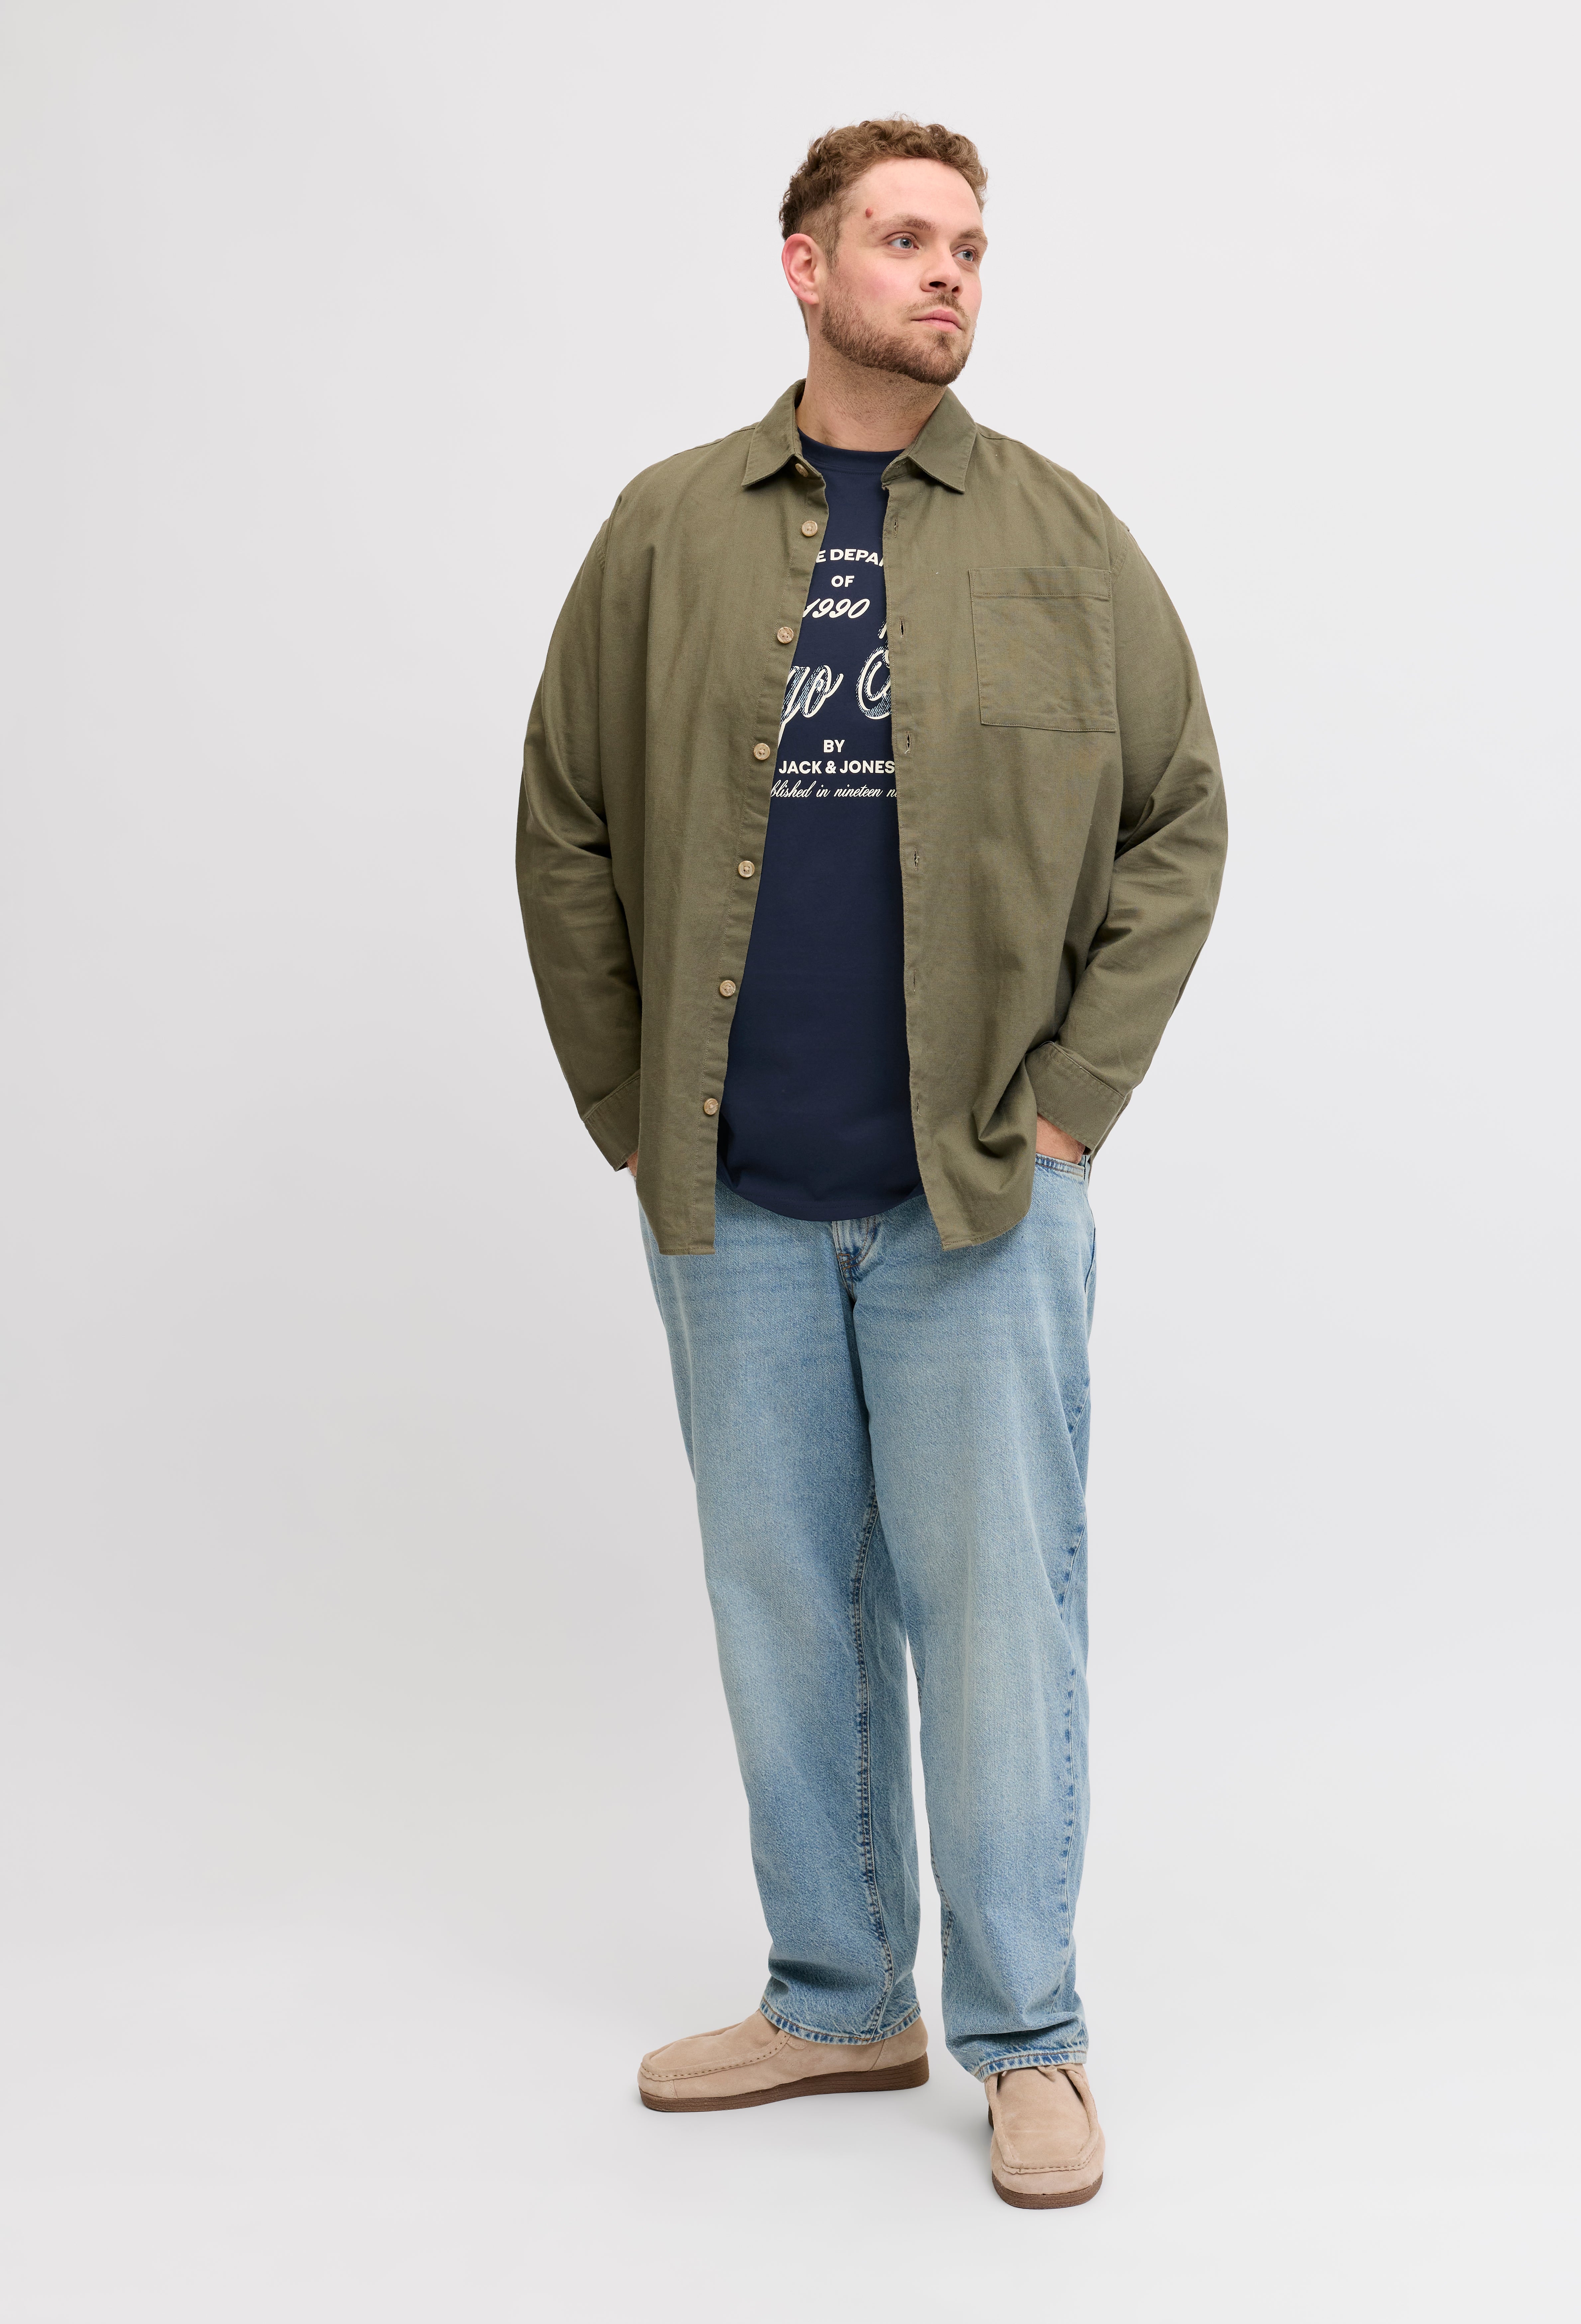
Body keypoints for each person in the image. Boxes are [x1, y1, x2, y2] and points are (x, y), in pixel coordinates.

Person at [516, 116, 1226, 2210]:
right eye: (907, 239)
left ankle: (1029, 2037)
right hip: (731, 1196)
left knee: (1000, 1621)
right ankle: (839, 2001)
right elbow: (565, 819)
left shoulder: (1064, 540)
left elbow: (1180, 819)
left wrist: (1073, 1100)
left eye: (971, 247)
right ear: (806, 267)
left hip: (977, 1199)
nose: (949, 275)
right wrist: (629, 1102)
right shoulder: (668, 530)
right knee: (785, 1614)